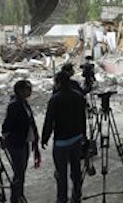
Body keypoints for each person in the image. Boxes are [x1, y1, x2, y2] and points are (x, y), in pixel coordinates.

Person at [42, 71, 87, 203]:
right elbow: (82, 118)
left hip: (62, 141)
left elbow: (49, 121)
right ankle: (76, 196)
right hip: (77, 138)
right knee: (76, 169)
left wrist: (45, 137)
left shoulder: (55, 99)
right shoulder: (79, 96)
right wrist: (84, 135)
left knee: (61, 173)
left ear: (59, 83)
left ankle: (62, 199)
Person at [2, 79, 41, 203]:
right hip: (17, 143)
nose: (30, 91)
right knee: (19, 172)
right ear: (20, 91)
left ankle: (19, 195)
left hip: (25, 141)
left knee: (21, 171)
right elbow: (7, 126)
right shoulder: (14, 105)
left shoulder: (24, 103)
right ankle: (15, 198)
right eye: (27, 89)